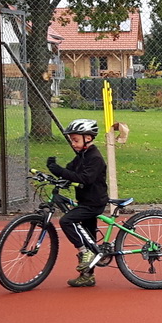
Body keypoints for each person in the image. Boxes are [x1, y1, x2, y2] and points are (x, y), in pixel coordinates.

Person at [47, 118, 108, 288]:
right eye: (71, 140)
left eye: (75, 140)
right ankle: (88, 276)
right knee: (89, 237)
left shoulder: (94, 157)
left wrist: (60, 171)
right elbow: (70, 170)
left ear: (88, 138)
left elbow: (85, 178)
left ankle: (85, 252)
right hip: (85, 201)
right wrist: (57, 172)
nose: (73, 143)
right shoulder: (81, 156)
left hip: (93, 202)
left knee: (66, 220)